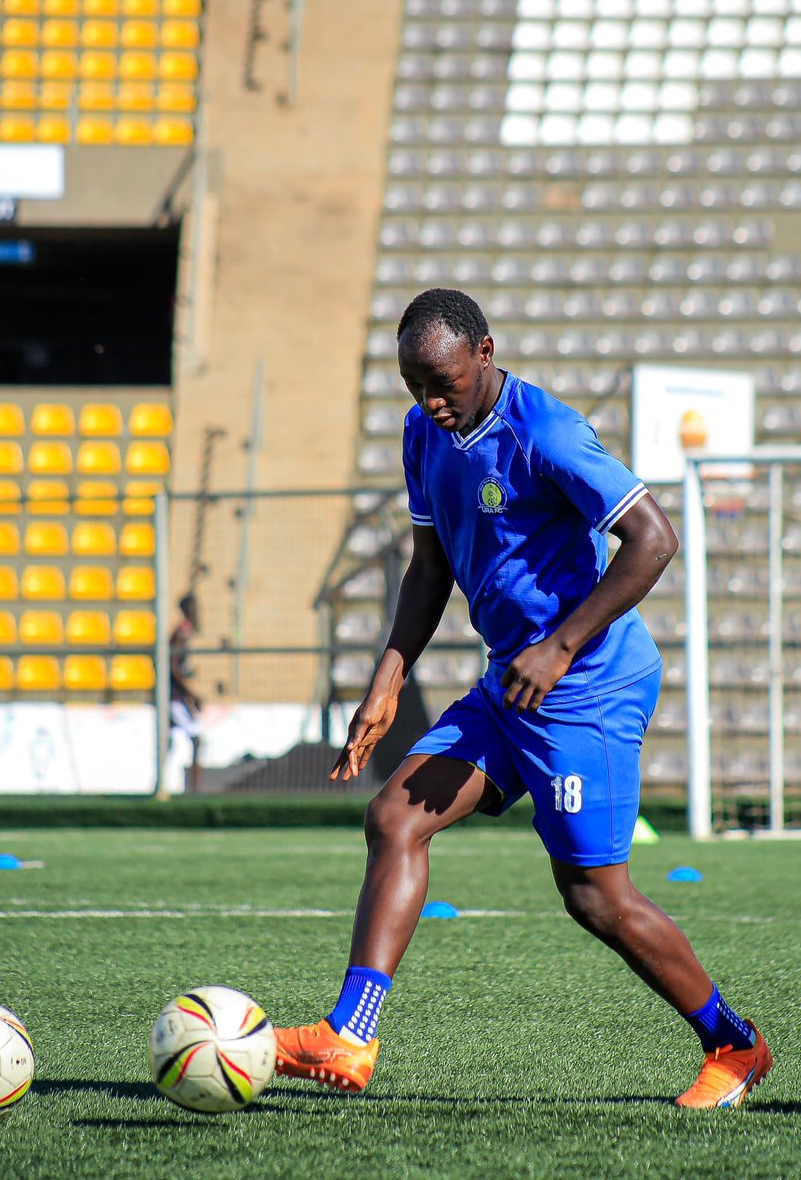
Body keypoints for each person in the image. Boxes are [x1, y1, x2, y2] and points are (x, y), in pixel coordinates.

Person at [275, 289, 772, 1108]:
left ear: (484, 352)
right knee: (395, 817)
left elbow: (654, 538)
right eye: (412, 385)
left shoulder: (547, 432)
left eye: (441, 382)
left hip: (587, 685)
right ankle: (350, 1036)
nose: (430, 402)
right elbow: (429, 569)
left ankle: (734, 1044)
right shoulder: (422, 435)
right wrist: (386, 683)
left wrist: (560, 644)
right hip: (513, 677)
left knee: (593, 897)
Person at [169, 592, 203, 792]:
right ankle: (194, 790)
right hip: (174, 696)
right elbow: (172, 665)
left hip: (175, 694)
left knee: (170, 741)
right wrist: (189, 693)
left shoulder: (184, 631)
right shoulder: (181, 632)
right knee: (196, 739)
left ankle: (162, 785)